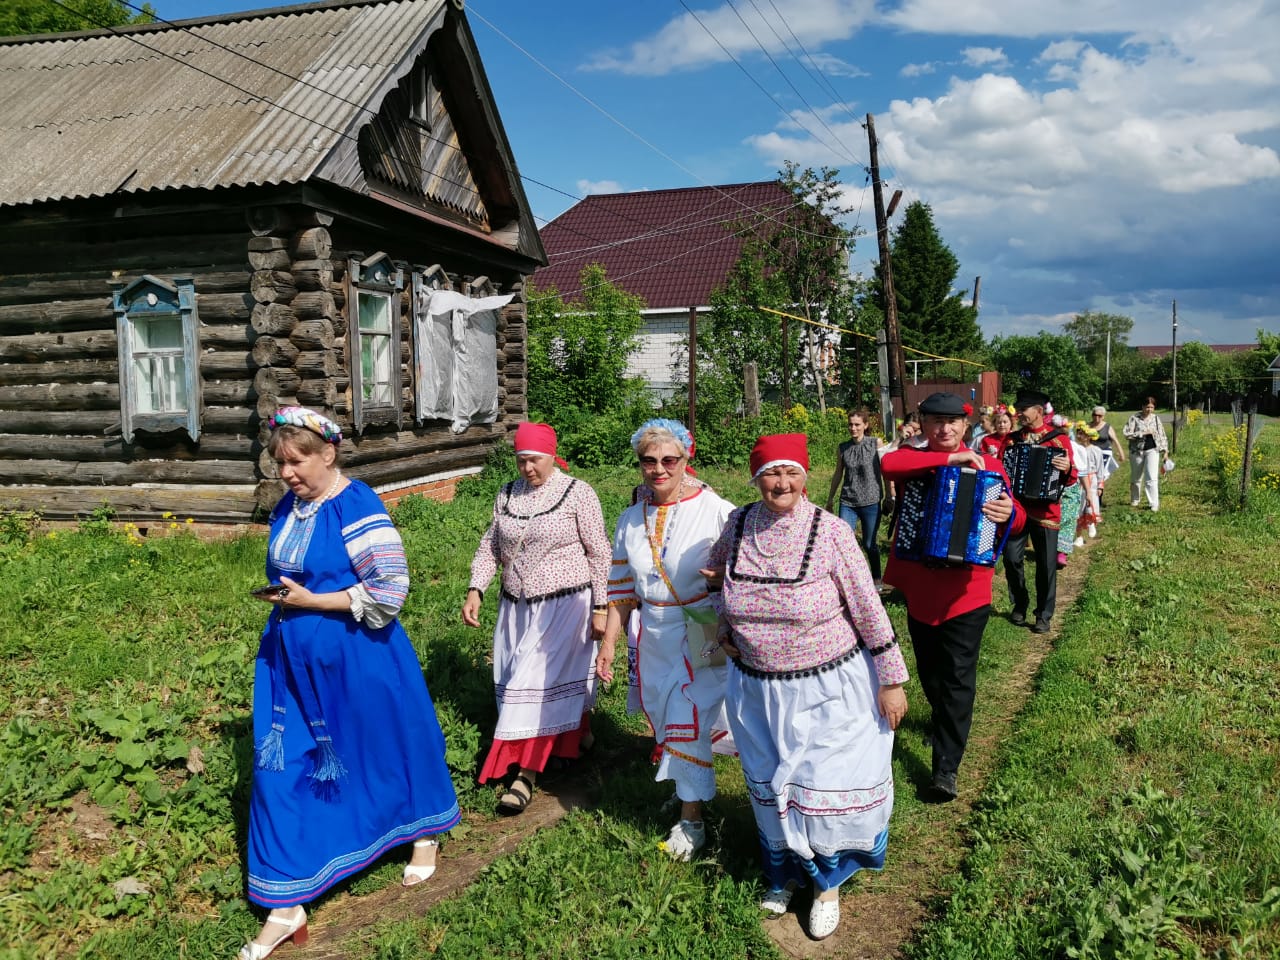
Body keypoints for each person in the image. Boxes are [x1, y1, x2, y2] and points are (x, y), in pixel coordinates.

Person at [241, 407, 459, 960]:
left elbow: (389, 589)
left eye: (297, 461)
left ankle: (421, 831)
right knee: (281, 768)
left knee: (385, 749)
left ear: (328, 453)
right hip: (289, 662)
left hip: (358, 656)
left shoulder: (355, 502)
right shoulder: (289, 508)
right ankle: (286, 905)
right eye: (280, 463)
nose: (287, 473)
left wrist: (314, 601)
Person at [709, 434, 907, 940]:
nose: (783, 483)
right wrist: (725, 627)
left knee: (821, 785)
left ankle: (826, 885)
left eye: (792, 472)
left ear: (807, 475)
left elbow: (867, 605)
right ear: (755, 479)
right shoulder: (737, 523)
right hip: (756, 689)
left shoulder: (833, 532)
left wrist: (891, 680)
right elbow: (717, 576)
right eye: (772, 474)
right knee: (771, 783)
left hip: (826, 687)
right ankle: (784, 873)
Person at [597, 418, 735, 862]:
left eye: (668, 460)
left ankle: (692, 819)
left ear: (685, 459)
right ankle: (684, 788)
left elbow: (748, 562)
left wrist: (723, 580)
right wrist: (609, 645)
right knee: (662, 713)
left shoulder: (715, 509)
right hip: (650, 630)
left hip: (698, 623)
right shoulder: (629, 518)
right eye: (649, 461)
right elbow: (620, 588)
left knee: (686, 716)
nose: (659, 469)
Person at [463, 422, 611, 814]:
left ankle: (524, 775)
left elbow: (600, 553)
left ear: (551, 455)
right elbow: (489, 546)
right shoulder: (507, 494)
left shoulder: (578, 493)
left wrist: (601, 606)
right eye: (521, 459)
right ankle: (578, 735)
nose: (527, 468)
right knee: (526, 680)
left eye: (535, 459)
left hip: (565, 606)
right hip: (516, 606)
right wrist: (476, 588)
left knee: (531, 689)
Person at [881, 393, 1022, 803]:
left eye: (952, 423)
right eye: (935, 422)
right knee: (930, 671)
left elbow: (1018, 521)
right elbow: (889, 464)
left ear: (965, 427)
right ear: (923, 424)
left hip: (967, 591)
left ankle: (946, 768)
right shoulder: (913, 459)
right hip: (920, 588)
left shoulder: (989, 466)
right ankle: (944, 721)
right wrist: (948, 461)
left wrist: (1008, 514)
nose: (944, 429)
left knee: (959, 677)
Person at [1001, 390, 1076, 634]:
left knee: (1046, 566)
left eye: (1023, 409)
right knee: (1011, 559)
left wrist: (1066, 468)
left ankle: (1044, 614)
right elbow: (1001, 471)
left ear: (1039, 411)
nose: (1019, 414)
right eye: (1018, 409)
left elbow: (1072, 477)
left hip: (1047, 512)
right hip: (1017, 509)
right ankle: (1020, 603)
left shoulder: (1059, 440)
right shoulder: (1012, 440)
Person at [824, 408, 885, 588]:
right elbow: (838, 474)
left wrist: (891, 495)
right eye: (850, 424)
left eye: (857, 424)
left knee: (868, 543)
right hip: (848, 501)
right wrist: (830, 499)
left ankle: (876, 578)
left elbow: (885, 470)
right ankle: (849, 581)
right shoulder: (843, 448)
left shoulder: (875, 443)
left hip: (871, 500)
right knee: (844, 543)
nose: (853, 428)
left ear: (865, 425)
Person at [1123, 397, 1168, 511]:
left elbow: (1162, 434)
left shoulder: (1156, 419)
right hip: (1137, 451)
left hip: (1152, 450)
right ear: (1142, 406)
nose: (1149, 409)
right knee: (1136, 477)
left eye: (1152, 407)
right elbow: (1127, 434)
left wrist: (1165, 450)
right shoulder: (1134, 418)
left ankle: (1153, 503)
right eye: (1147, 407)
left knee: (1151, 477)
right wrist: (1142, 433)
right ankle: (1135, 499)